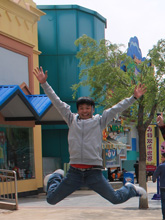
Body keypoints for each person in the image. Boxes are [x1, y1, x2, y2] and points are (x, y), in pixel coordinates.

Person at [34, 66, 147, 204]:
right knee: (51, 199)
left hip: (93, 173)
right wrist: (44, 84)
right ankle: (55, 177)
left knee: (115, 199)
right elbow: (56, 101)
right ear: (78, 110)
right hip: (74, 173)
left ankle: (130, 189)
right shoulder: (71, 119)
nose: (84, 111)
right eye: (81, 108)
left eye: (87, 108)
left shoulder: (99, 121)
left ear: (93, 109)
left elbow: (117, 108)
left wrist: (133, 98)